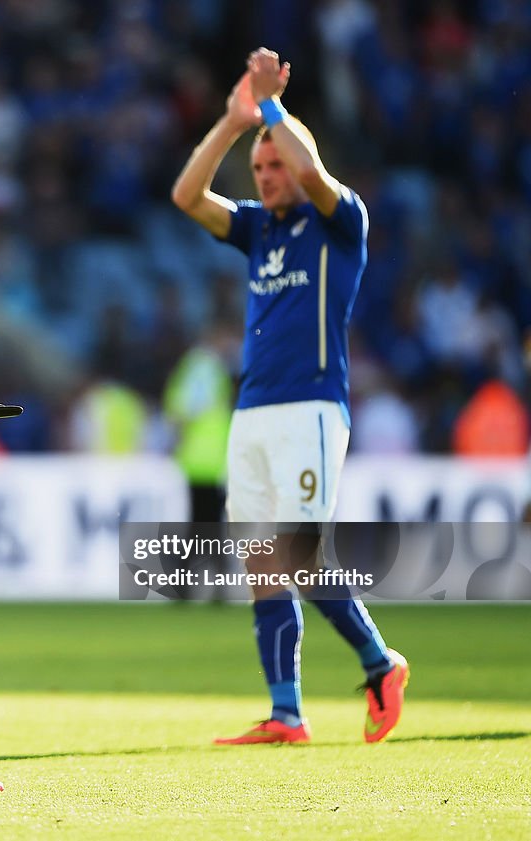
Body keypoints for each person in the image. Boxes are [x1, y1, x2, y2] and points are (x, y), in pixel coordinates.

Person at [171, 48, 410, 745]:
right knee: (260, 562)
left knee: (298, 555)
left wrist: (274, 109)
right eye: (259, 169)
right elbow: (187, 197)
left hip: (310, 406)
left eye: (273, 165)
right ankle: (286, 712)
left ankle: (379, 660)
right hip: (253, 412)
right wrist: (231, 122)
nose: (268, 177)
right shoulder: (258, 228)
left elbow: (311, 168)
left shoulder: (342, 223)